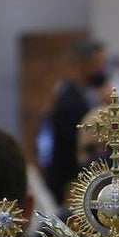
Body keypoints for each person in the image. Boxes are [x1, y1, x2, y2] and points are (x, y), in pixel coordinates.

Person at [39, 39, 108, 205]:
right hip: (73, 178)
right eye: (99, 62)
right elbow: (66, 146)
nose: (102, 67)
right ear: (83, 64)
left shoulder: (90, 94)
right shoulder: (69, 100)